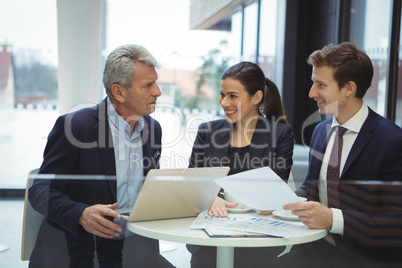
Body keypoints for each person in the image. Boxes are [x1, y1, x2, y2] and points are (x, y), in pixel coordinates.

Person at [28, 44, 174, 268]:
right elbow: (39, 191)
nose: (157, 91)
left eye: (155, 82)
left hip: (134, 245)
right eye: (148, 85)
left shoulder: (153, 129)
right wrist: (81, 214)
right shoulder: (75, 127)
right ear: (119, 92)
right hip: (81, 248)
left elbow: (146, 186)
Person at [271, 42, 402, 267]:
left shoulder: (392, 141)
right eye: (314, 83)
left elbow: (396, 222)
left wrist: (333, 219)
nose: (312, 93)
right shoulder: (321, 131)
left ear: (349, 88)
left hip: (365, 258)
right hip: (317, 247)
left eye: (321, 84)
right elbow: (312, 189)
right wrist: (284, 201)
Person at [187, 61, 294, 267]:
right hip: (208, 243)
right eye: (222, 94)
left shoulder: (280, 135)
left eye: (233, 96)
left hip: (255, 244)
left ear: (257, 97)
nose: (224, 102)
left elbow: (274, 192)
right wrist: (208, 197)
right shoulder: (207, 132)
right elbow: (192, 184)